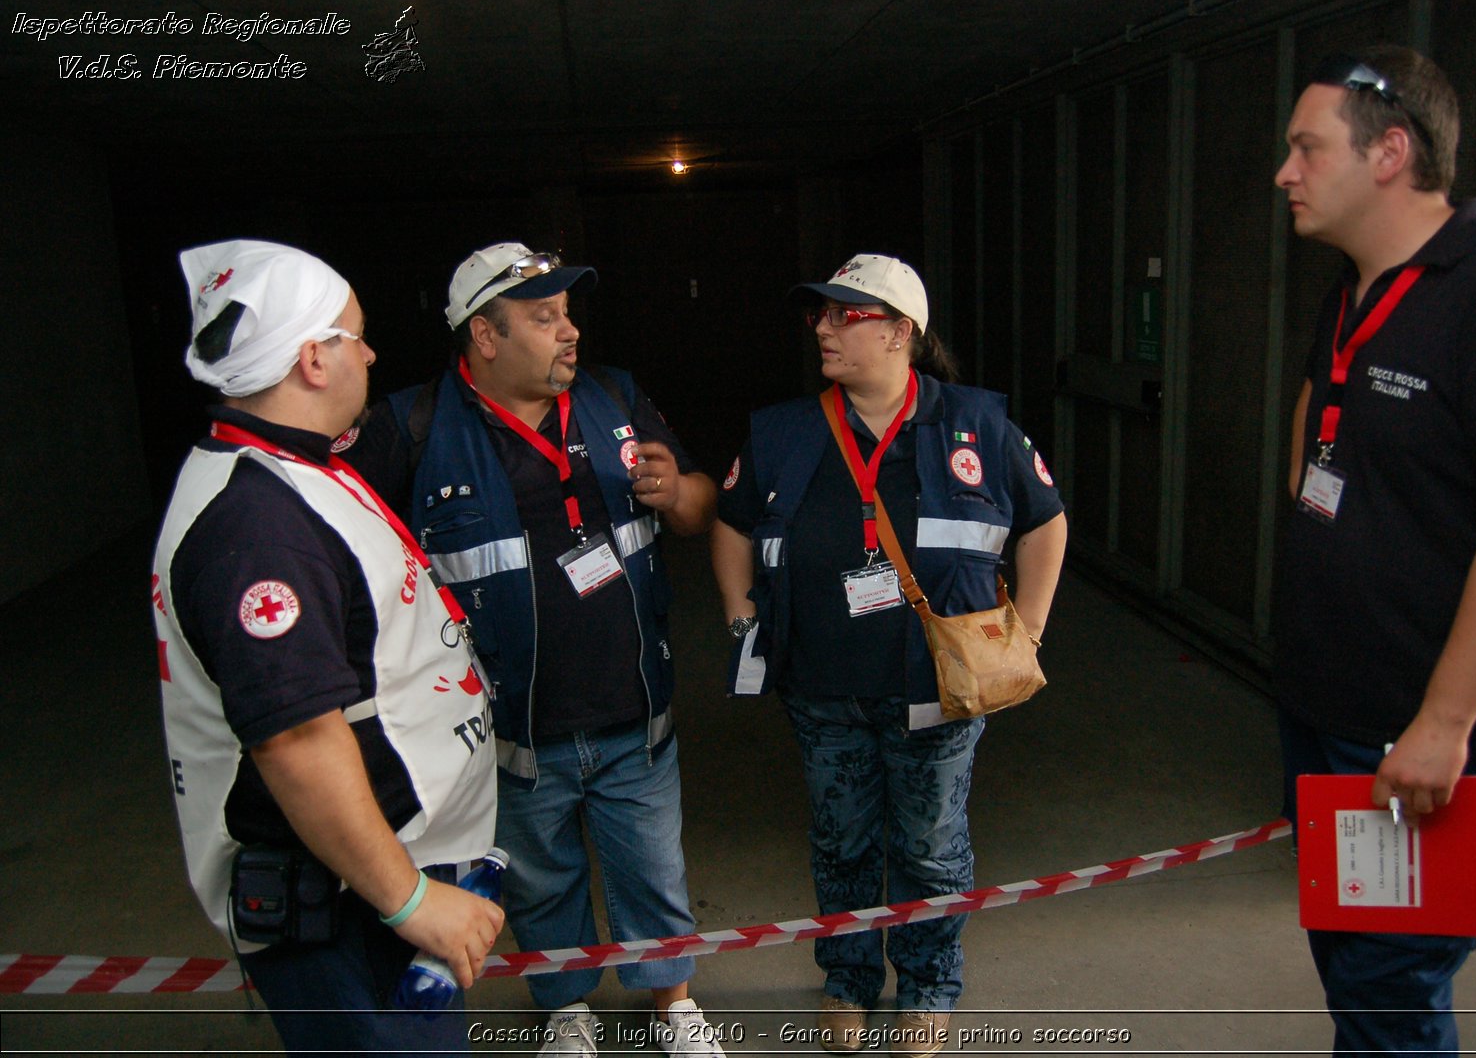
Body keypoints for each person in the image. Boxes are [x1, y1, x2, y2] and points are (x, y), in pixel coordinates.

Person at [1273, 47, 1476, 1054]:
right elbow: (1324, 411)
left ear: (1390, 152)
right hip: (1329, 711)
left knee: (1389, 994)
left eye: (1306, 148)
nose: (1286, 172)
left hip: (1420, 739)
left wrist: (1444, 723)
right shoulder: (1358, 285)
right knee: (1359, 977)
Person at [343, 243, 722, 1058]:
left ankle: (675, 1007)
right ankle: (565, 1009)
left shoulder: (614, 398)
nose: (569, 332)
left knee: (655, 873)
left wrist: (678, 492)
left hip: (634, 715)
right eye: (544, 318)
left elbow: (699, 510)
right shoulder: (409, 428)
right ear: (485, 335)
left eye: (568, 314)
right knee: (541, 879)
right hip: (508, 733)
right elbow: (340, 553)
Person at [151, 239, 504, 1054]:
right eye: (357, 334)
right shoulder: (259, 529)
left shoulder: (298, 465)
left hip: (380, 875)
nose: (372, 353)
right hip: (352, 905)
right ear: (313, 358)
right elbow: (297, 739)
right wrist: (413, 901)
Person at [710, 255, 1067, 1058]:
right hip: (821, 686)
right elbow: (731, 521)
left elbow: (1046, 520)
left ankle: (929, 986)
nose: (824, 328)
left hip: (938, 689)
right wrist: (740, 613)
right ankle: (847, 979)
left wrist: (1029, 632)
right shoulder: (786, 431)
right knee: (842, 842)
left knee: (929, 844)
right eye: (822, 315)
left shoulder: (975, 425)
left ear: (901, 333)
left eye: (845, 315)